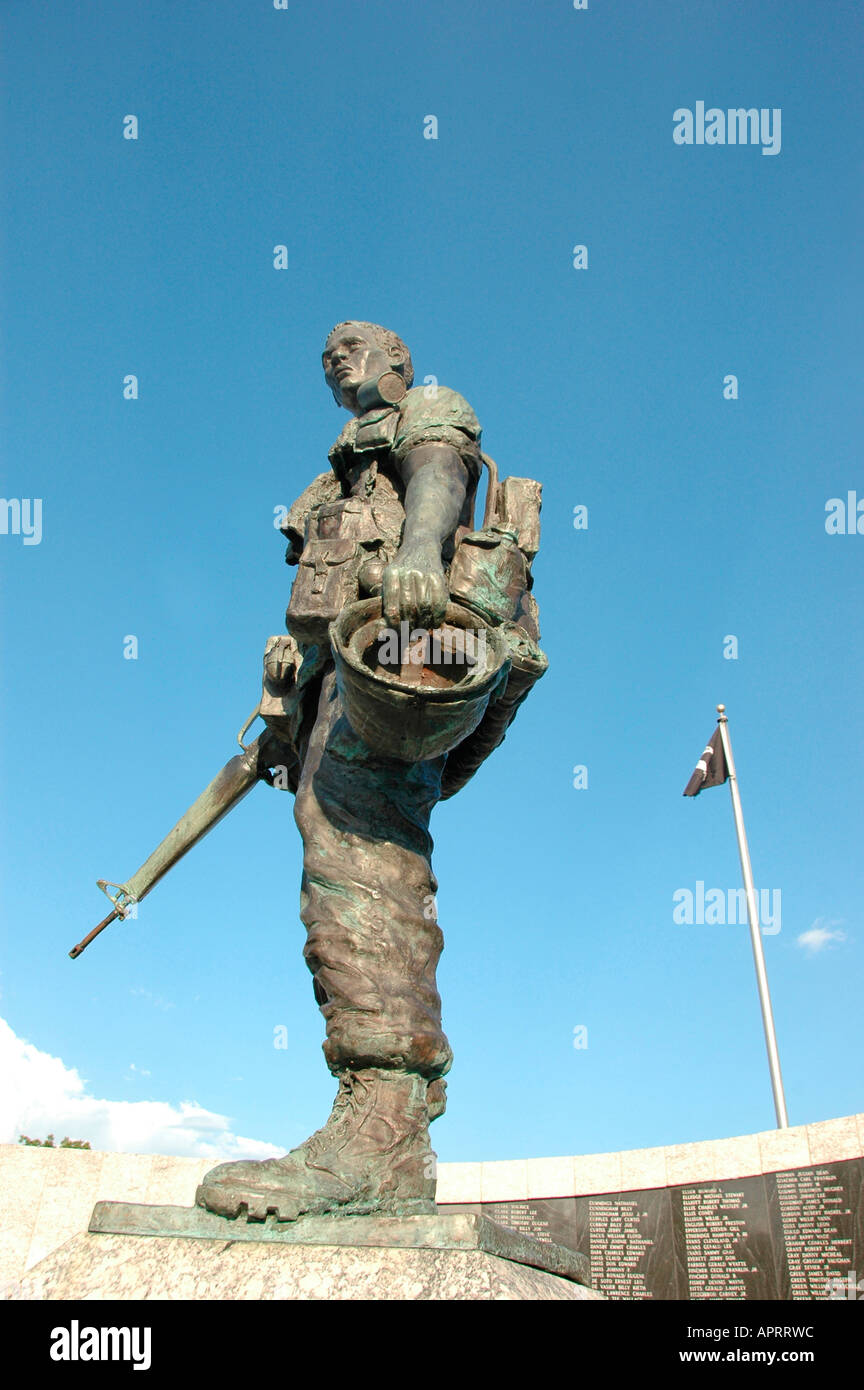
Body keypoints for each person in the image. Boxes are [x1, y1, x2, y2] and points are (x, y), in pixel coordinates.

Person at [195, 322, 534, 1222]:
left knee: (356, 845)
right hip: (344, 668)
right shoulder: (336, 471)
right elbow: (326, 589)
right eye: (327, 355)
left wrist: (422, 551)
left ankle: (383, 1118)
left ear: (398, 361)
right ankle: (390, 1115)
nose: (337, 358)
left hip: (409, 645)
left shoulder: (425, 409)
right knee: (332, 837)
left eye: (355, 345)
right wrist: (283, 702)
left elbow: (442, 474)